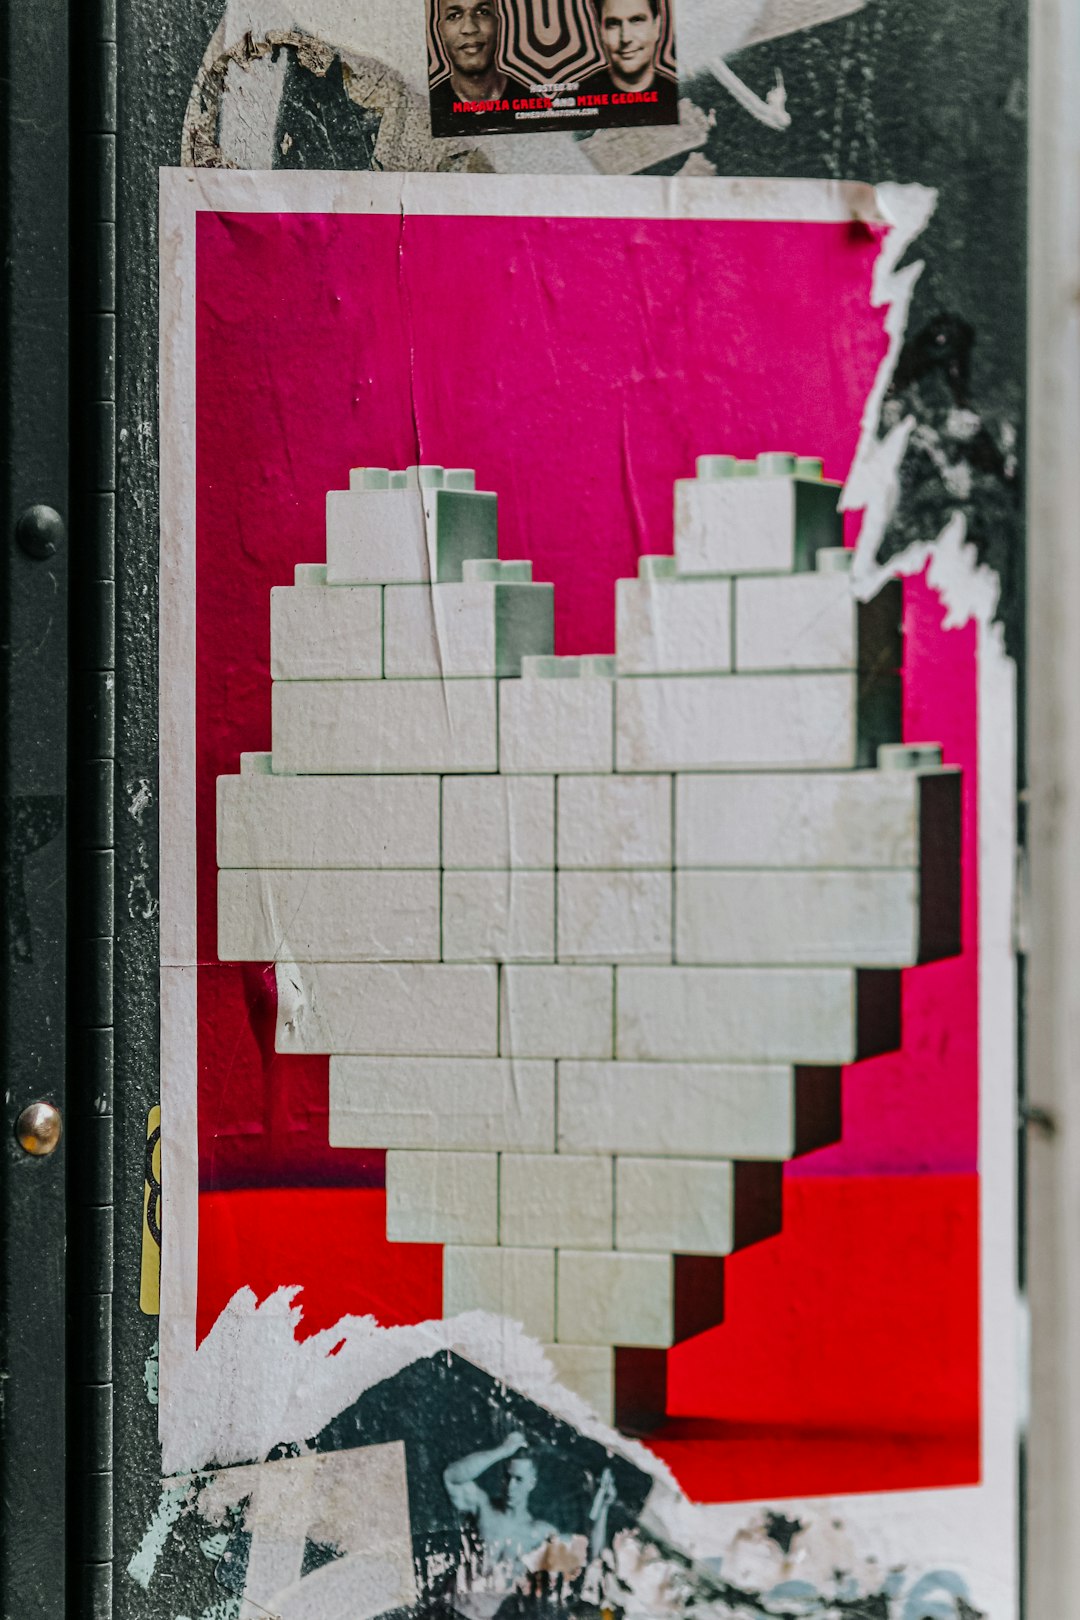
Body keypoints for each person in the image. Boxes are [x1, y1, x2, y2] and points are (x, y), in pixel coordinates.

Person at [429, 0, 531, 134]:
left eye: (483, 12)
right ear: (440, 31)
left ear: (498, 24)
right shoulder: (428, 109)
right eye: (454, 16)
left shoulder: (532, 105)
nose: (469, 28)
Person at [577, 0, 678, 123]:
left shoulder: (680, 98)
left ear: (656, 27)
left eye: (636, 20)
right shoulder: (575, 101)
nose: (625, 38)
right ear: (600, 32)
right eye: (613, 24)